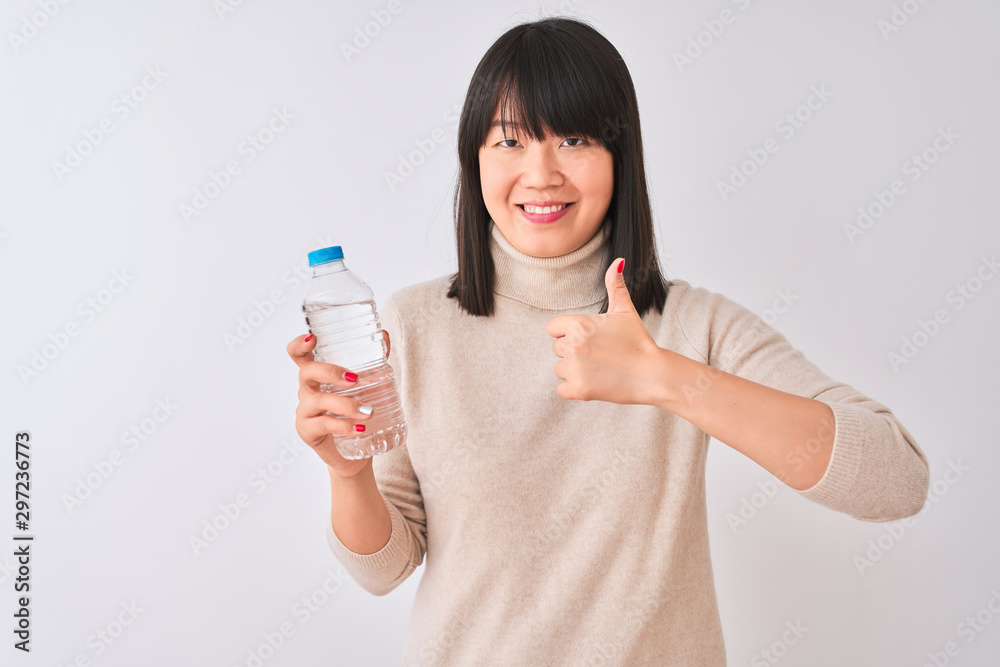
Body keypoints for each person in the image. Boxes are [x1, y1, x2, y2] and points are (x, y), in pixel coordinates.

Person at [286, 16, 930, 666]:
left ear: (621, 156)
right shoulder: (413, 321)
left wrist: (666, 378)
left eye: (573, 138)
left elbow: (898, 478)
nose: (540, 173)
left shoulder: (693, 324)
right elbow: (385, 568)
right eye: (509, 141)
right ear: (473, 160)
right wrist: (349, 472)